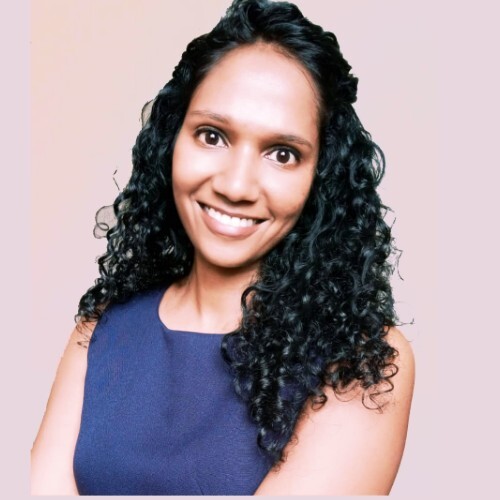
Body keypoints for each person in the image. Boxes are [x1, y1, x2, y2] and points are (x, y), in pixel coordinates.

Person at [31, 0, 415, 495]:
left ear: (321, 177)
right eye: (212, 136)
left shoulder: (361, 361)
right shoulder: (99, 331)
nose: (236, 185)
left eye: (282, 154)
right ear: (171, 142)